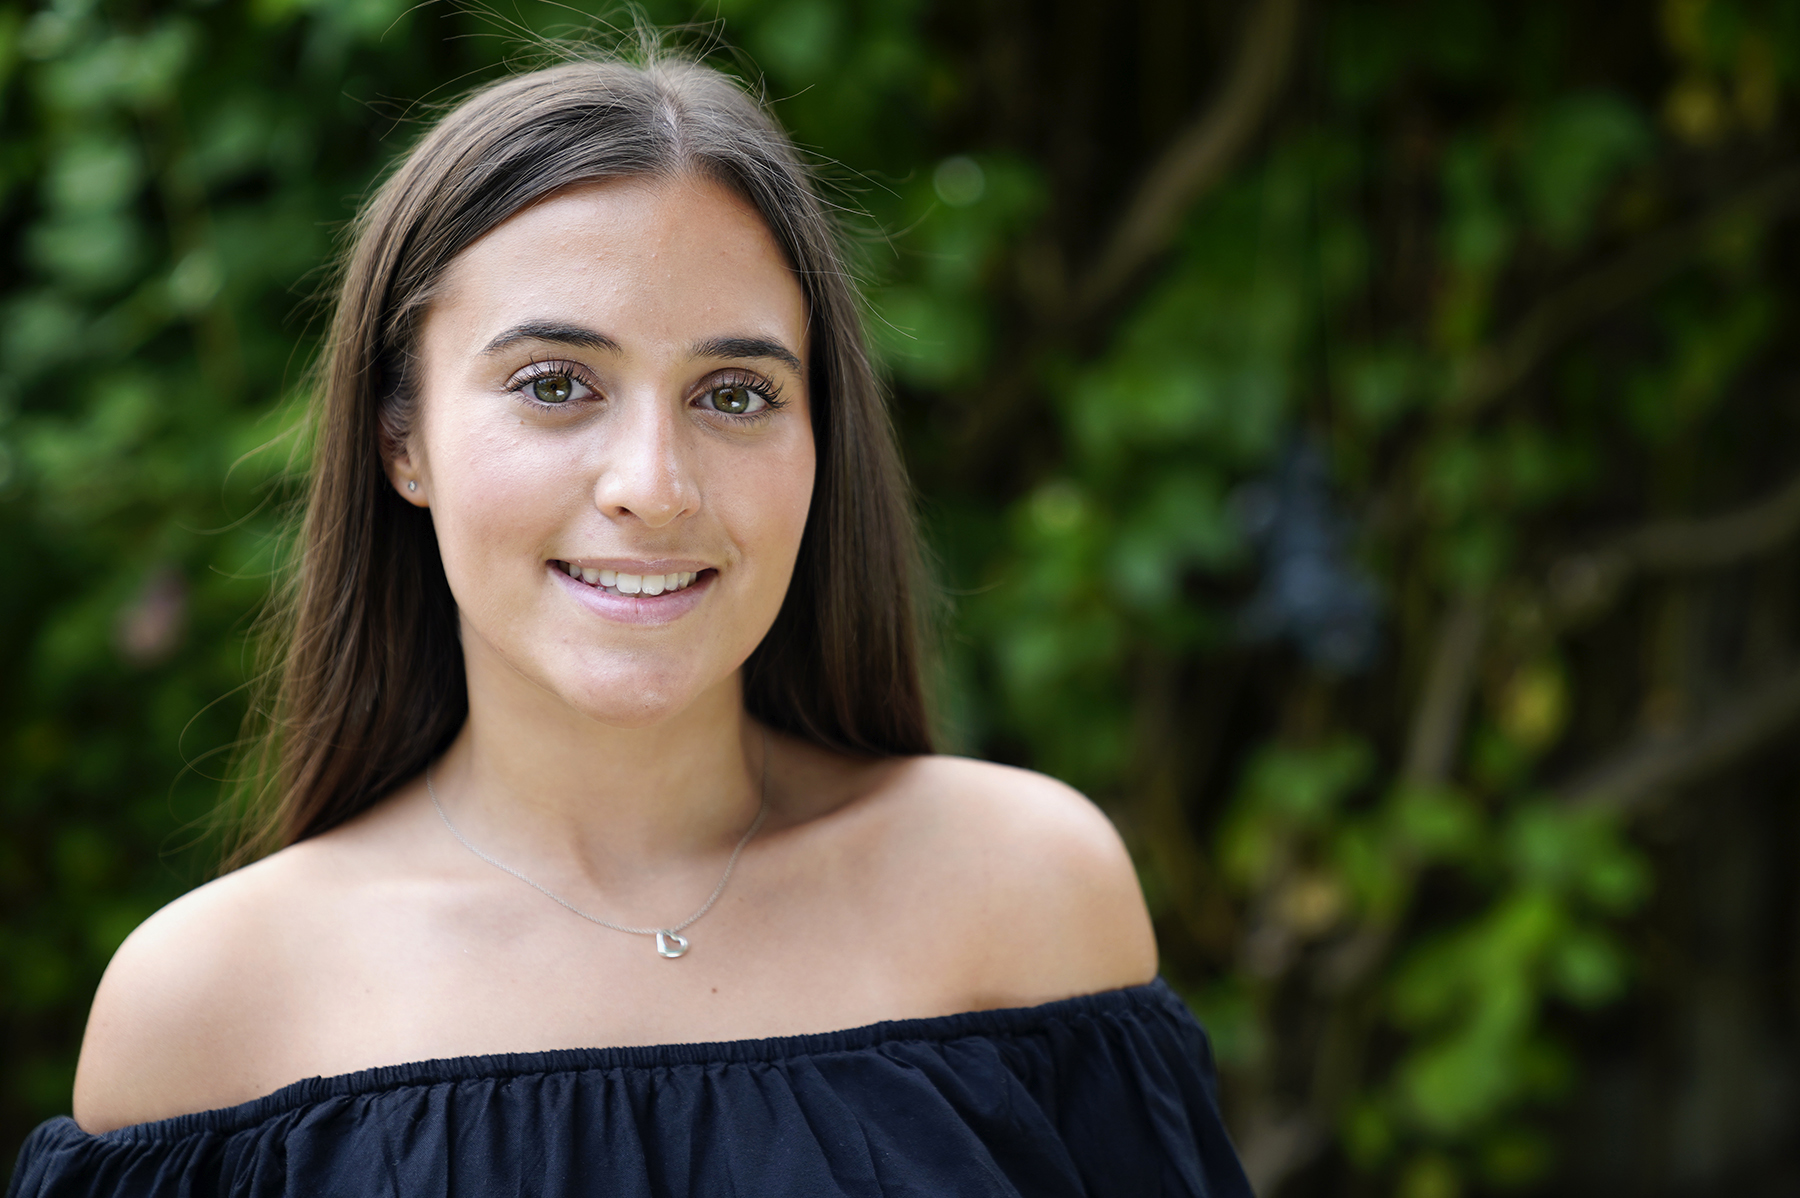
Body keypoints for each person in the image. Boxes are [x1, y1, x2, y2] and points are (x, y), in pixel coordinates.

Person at [10, 51, 1251, 1197]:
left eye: (733, 392)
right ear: (404, 440)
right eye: (556, 384)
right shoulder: (212, 1010)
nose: (653, 483)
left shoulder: (1023, 889)